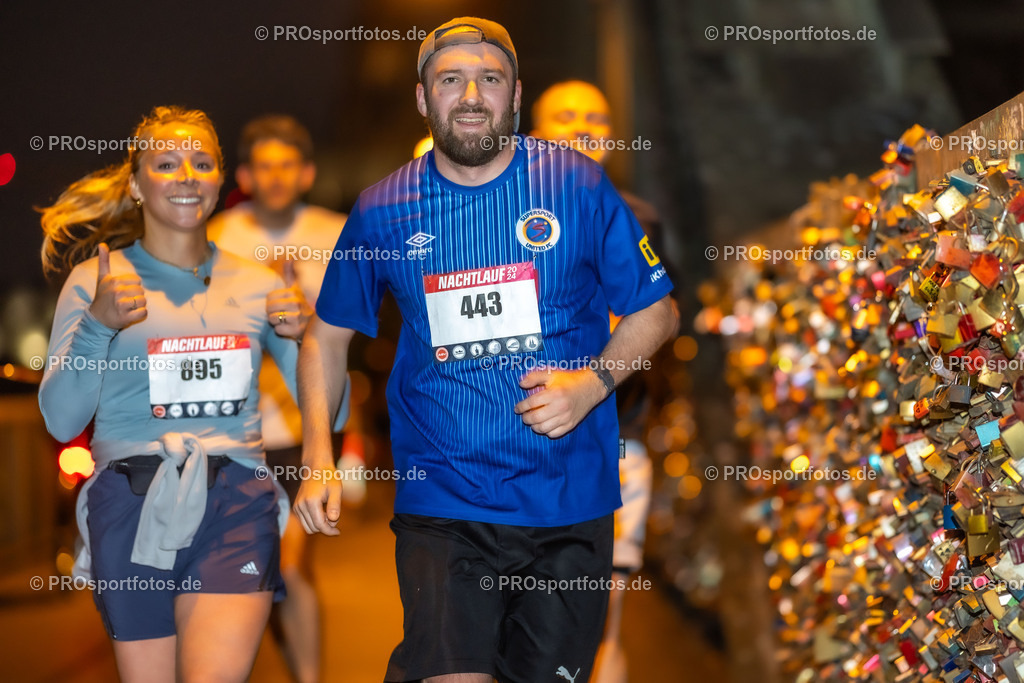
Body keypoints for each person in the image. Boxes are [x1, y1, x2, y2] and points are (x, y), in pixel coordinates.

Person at [294, 17, 678, 683]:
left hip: (568, 505)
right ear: (423, 98)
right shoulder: (382, 209)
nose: (471, 95)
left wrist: (590, 384)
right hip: (444, 504)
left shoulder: (577, 185)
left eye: (490, 78)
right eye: (451, 79)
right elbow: (324, 338)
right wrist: (317, 458)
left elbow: (658, 310)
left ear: (516, 94)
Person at [37, 105, 348, 683]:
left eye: (202, 163)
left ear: (219, 180)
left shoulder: (259, 284)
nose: (186, 175)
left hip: (237, 502)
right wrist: (98, 325)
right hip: (130, 504)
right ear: (136, 184)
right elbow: (60, 419)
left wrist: (303, 336)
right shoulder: (95, 282)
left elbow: (336, 410)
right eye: (166, 163)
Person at [532, 80, 674, 683]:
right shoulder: (497, 214)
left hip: (616, 441)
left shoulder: (638, 217)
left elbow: (652, 320)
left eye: (597, 118)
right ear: (535, 135)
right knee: (523, 616)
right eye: (566, 117)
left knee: (604, 613)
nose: (584, 128)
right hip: (521, 445)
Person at [208, 113, 354, 683]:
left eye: (287, 165)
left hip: (306, 426)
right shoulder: (216, 235)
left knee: (291, 564)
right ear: (245, 175)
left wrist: (301, 314)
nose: (275, 177)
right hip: (234, 433)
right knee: (252, 572)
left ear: (307, 173)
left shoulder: (338, 232)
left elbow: (355, 327)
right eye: (263, 167)